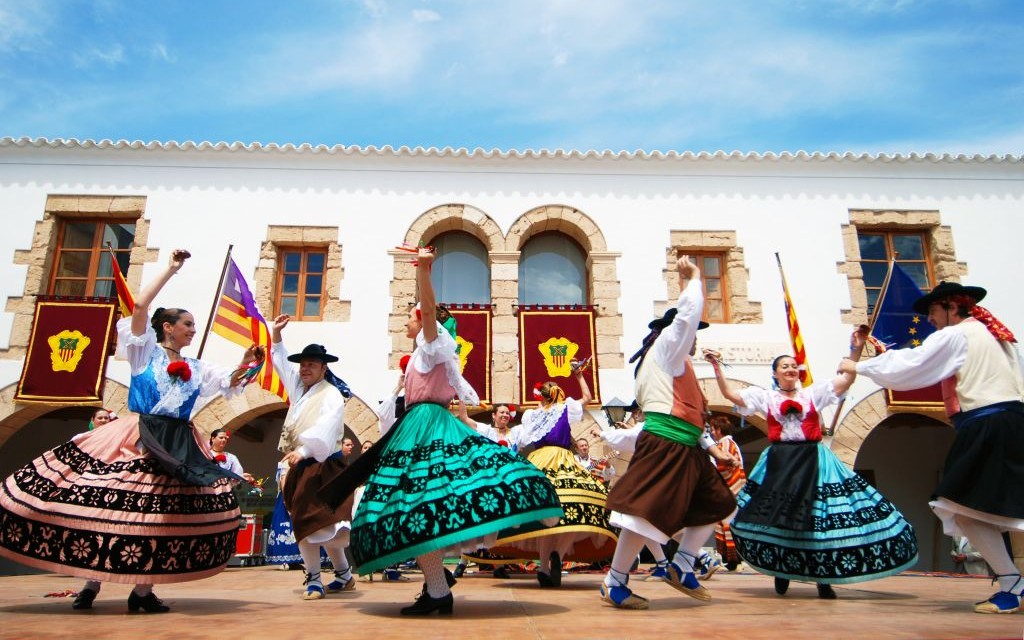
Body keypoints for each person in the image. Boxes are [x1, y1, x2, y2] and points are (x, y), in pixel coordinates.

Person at [0, 249, 261, 613]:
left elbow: (231, 380)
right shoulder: (144, 352)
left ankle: (142, 592)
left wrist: (247, 363)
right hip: (137, 436)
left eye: (194, 326)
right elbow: (139, 306)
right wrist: (170, 270)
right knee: (107, 508)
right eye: (187, 324)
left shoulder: (198, 367)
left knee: (158, 518)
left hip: (177, 441)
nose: (193, 330)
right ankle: (90, 584)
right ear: (168, 327)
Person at [317, 246, 562, 616]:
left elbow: (429, 309)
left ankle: (436, 590)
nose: (406, 323)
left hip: (427, 425)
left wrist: (425, 271)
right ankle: (435, 588)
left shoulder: (431, 345)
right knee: (415, 507)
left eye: (410, 318)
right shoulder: (421, 354)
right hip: (417, 424)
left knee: (418, 503)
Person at [839, 281, 1024, 614]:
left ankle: (1013, 585)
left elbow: (914, 364)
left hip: (988, 422)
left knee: (956, 505)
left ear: (953, 307)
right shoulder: (996, 335)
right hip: (1007, 421)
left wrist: (859, 366)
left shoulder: (958, 334)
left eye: (933, 312)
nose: (930, 320)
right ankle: (1012, 583)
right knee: (975, 508)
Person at [710, 334, 918, 599]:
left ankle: (823, 579)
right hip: (781, 461)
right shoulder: (766, 397)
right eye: (784, 366)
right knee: (781, 516)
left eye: (793, 365)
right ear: (775, 373)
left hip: (812, 459)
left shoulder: (813, 394)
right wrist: (717, 368)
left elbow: (846, 380)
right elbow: (730, 393)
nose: (790, 369)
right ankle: (781, 570)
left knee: (818, 518)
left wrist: (854, 352)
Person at [600, 255, 740, 610]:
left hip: (687, 445)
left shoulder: (678, 363)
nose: (694, 338)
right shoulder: (666, 350)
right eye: (691, 333)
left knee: (718, 504)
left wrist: (710, 446)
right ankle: (615, 581)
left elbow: (690, 412)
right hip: (666, 443)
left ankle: (682, 563)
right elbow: (688, 315)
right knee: (642, 515)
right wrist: (692, 278)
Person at [462, 370, 618, 588]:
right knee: (575, 507)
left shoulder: (532, 416)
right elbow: (587, 399)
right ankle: (557, 555)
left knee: (545, 514)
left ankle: (544, 567)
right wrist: (579, 376)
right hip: (563, 460)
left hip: (539, 461)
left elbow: (523, 441)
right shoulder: (565, 408)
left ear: (541, 397)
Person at [270, 316, 357, 601]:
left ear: (323, 367)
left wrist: (304, 450)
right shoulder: (300, 391)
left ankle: (316, 580)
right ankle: (342, 576)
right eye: (303, 364)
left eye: (311, 364)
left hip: (323, 465)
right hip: (303, 465)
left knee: (315, 524)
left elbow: (328, 425)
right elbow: (282, 365)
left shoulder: (331, 394)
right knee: (316, 525)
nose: (304, 368)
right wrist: (277, 336)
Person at [708, 415, 745, 572]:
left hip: (731, 488)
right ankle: (732, 560)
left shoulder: (725, 443)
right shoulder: (730, 443)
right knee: (728, 524)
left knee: (727, 524)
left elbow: (725, 467)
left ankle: (733, 560)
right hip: (733, 488)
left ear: (718, 430)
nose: (711, 432)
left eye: (713, 429)